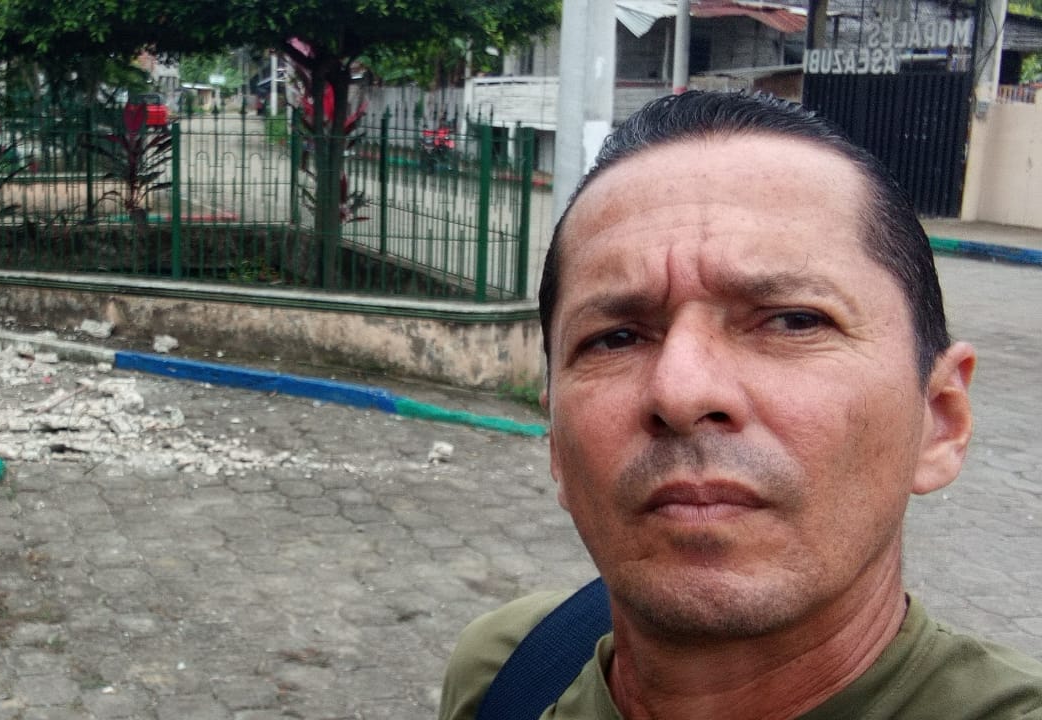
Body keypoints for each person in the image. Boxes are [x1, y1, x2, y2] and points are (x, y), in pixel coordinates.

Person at [439, 90, 1042, 720]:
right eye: (616, 338)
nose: (681, 392)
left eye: (793, 321)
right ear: (557, 445)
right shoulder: (507, 672)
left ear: (941, 419)